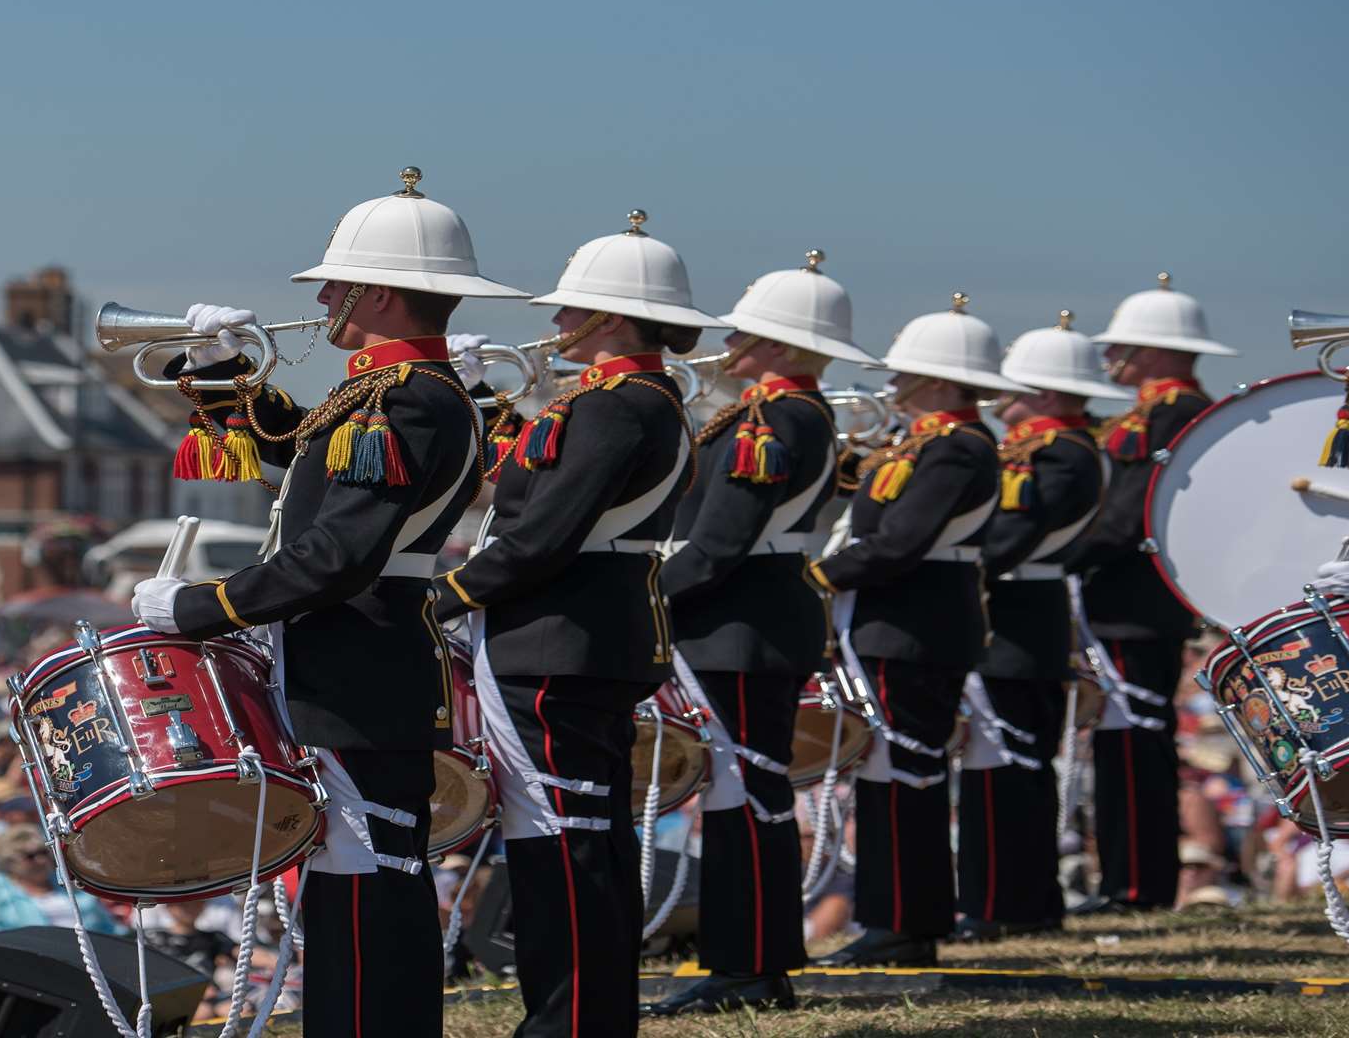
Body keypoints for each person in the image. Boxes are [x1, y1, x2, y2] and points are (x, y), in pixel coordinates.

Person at [130, 167, 517, 1038]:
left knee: (374, 872)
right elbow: (292, 455)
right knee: (349, 871)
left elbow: (337, 555)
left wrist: (200, 608)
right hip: (350, 662)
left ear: (379, 293)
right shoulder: (383, 392)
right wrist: (224, 369)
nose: (327, 297)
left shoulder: (413, 399)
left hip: (363, 661)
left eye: (338, 283)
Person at [433, 211, 705, 1036]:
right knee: (571, 831)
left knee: (565, 837)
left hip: (559, 634)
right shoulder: (615, 399)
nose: (556, 324)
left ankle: (574, 1019)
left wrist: (441, 597)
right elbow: (528, 498)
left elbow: (542, 536)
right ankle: (577, 1014)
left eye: (571, 308)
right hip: (570, 631)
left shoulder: (622, 404)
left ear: (611, 317)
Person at [643, 249, 876, 1016]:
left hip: (737, 619)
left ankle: (746, 965)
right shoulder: (782, 411)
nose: (729, 344)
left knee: (741, 795)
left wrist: (645, 602)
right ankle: (757, 961)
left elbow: (715, 548)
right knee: (749, 792)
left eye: (743, 333)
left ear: (774, 343)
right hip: (750, 616)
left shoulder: (774, 418)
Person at [806, 292, 1024, 965]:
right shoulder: (928, 441)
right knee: (888, 774)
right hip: (896, 620)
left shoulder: (958, 447)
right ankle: (894, 919)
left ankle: (902, 924)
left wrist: (814, 578)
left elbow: (899, 543)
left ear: (936, 379)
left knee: (904, 775)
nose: (894, 384)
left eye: (905, 374)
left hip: (913, 621)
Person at [1070, 273, 1236, 914]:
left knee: (1137, 747)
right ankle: (1123, 879)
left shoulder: (1178, 414)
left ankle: (1138, 885)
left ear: (1160, 352)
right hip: (1119, 603)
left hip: (1140, 604)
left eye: (1126, 348)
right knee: (1118, 747)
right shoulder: (1145, 413)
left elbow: (1132, 513)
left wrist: (1058, 555)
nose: (1112, 359)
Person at [953, 311, 1120, 941]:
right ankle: (1013, 901)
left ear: (1045, 394)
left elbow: (1006, 539)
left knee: (1009, 774)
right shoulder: (1051, 449)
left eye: (1013, 390)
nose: (1001, 402)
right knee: (1001, 772)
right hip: (1018, 614)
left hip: (1019, 619)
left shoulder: (1059, 455)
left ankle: (1006, 905)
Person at [0, 826, 122, 936]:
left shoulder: (69, 882)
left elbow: (107, 927)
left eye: (43, 853)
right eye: (30, 856)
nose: (41, 860)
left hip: (93, 958)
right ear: (8, 862)